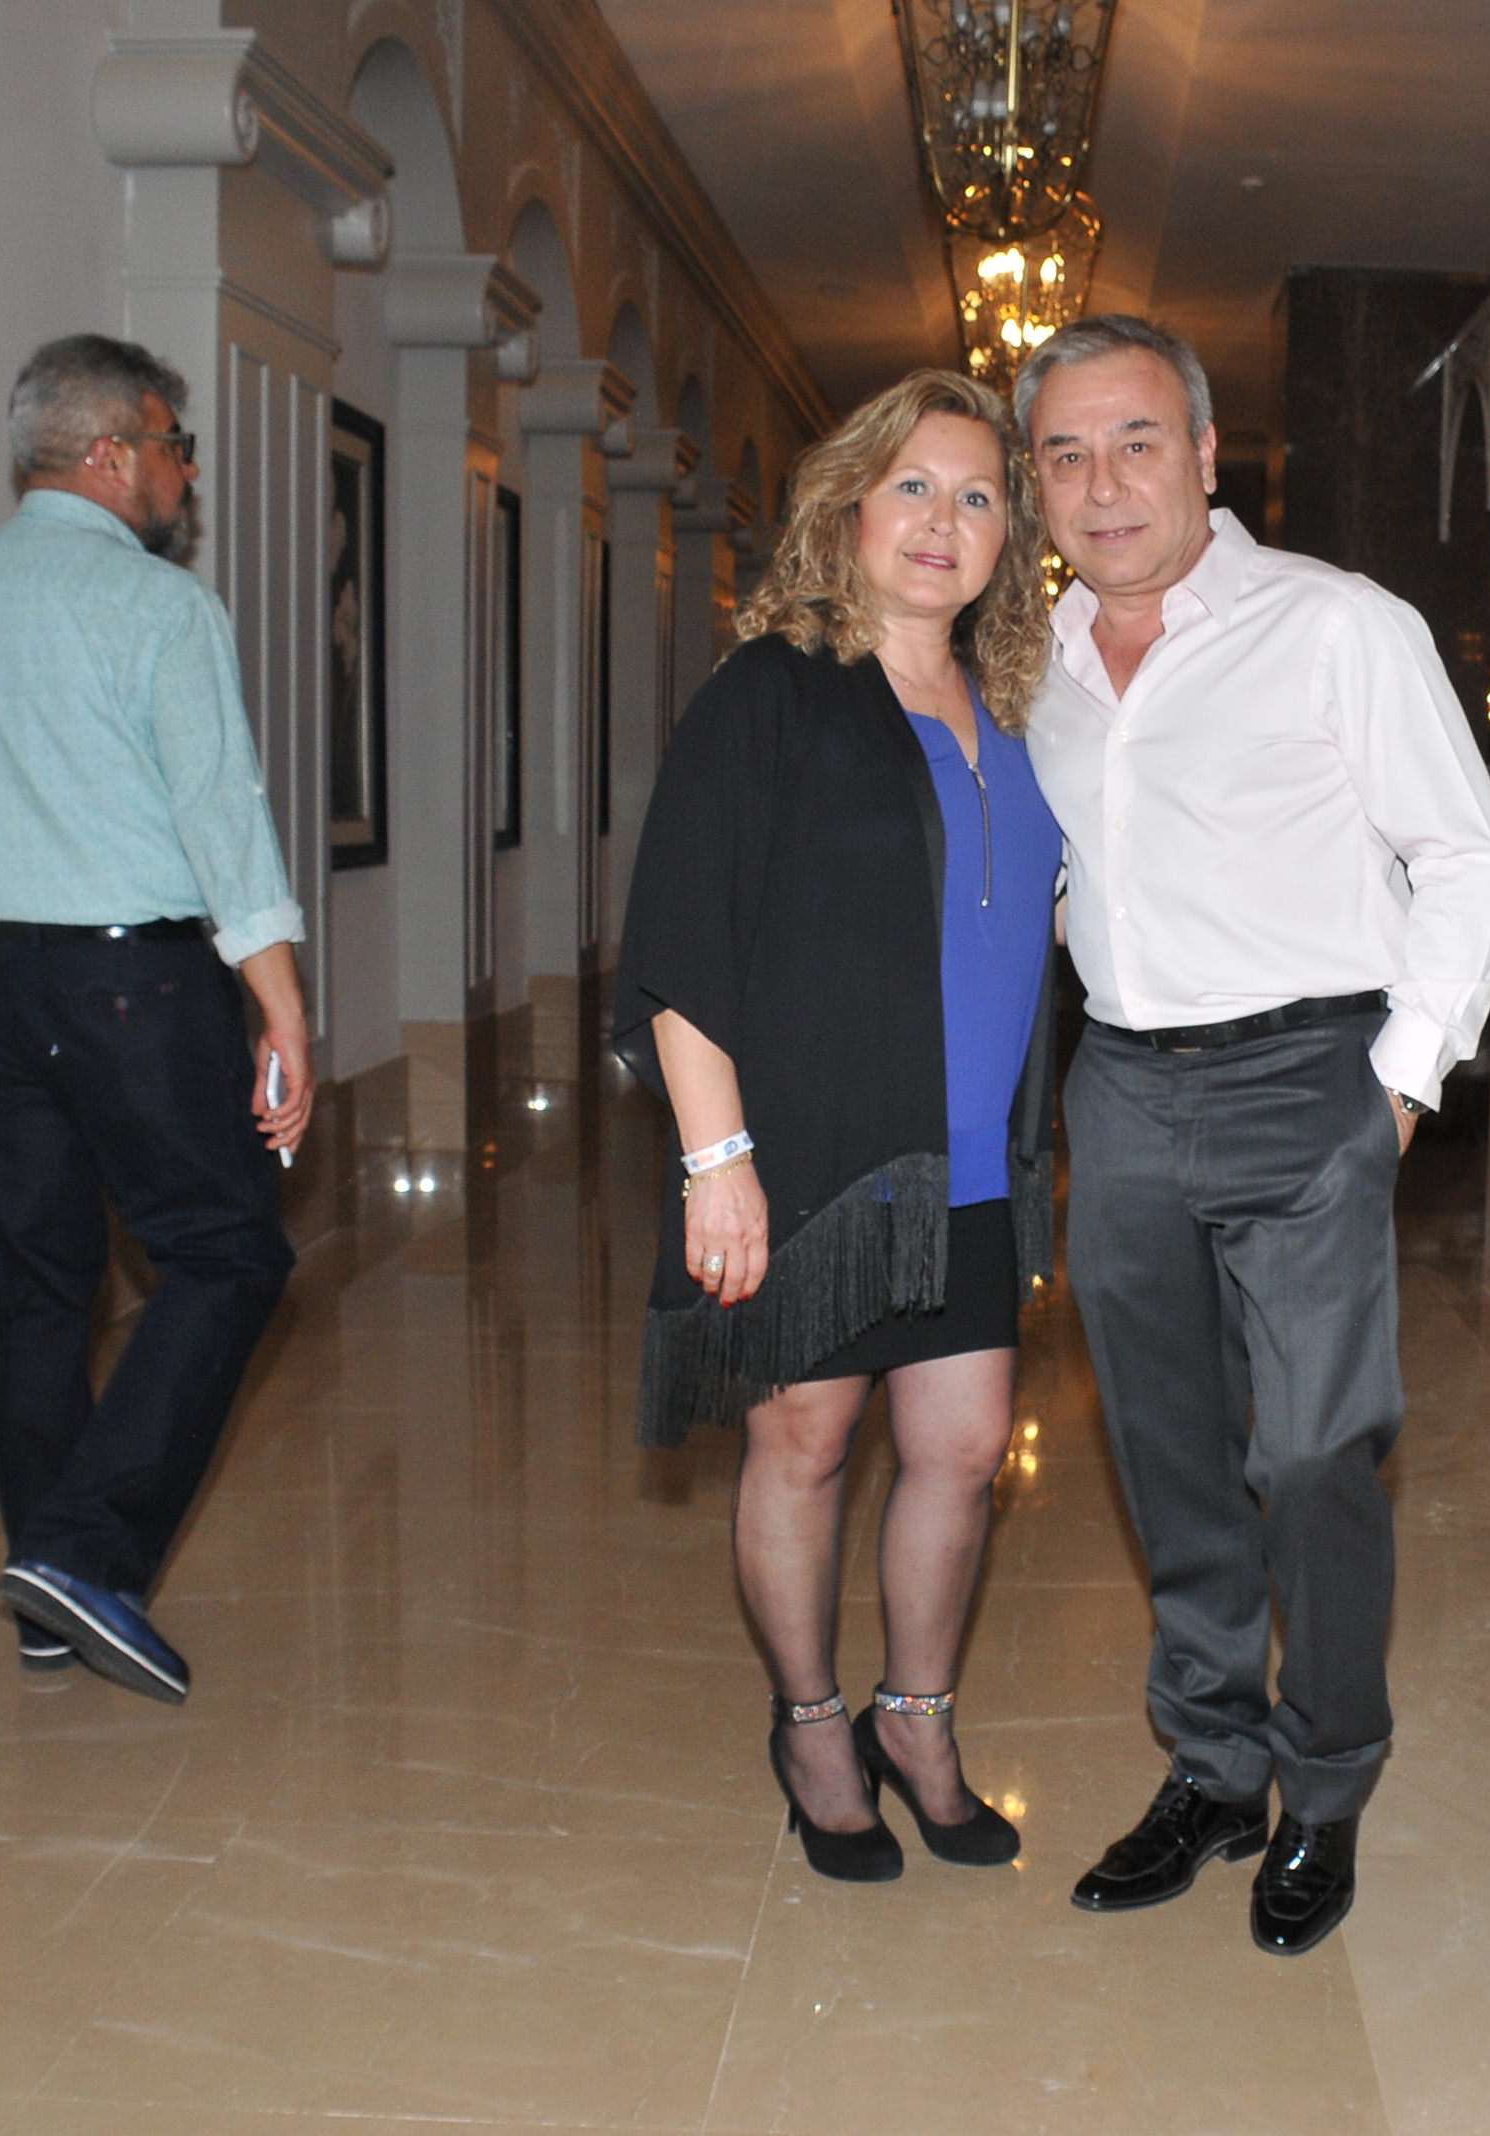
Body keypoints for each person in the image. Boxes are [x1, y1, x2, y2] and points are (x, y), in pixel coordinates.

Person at [1013, 316, 1490, 1955]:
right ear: (1037, 485)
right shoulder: (1037, 668)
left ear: (1207, 454)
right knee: (1166, 1449)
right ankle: (1216, 1765)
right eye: (1067, 454)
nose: (1105, 484)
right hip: (1123, 1086)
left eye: (1137, 442)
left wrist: (1399, 1085)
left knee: (1310, 1453)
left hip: (1311, 1075)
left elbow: (1469, 859)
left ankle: (1328, 1778)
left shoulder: (1336, 625)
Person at [614, 370, 1066, 1884]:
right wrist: (717, 1162)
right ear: (849, 506)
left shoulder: (1023, 712)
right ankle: (812, 1725)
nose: (944, 521)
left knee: (963, 1448)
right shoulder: (775, 690)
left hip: (975, 1157)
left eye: (979, 495)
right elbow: (681, 935)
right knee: (804, 1443)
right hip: (812, 1146)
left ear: (1010, 537)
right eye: (913, 487)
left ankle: (915, 1719)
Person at [0, 334, 314, 1706]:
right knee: (228, 1249)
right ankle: (85, 1549)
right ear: (113, 454)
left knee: (39, 1275)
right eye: (176, 445)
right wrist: (281, 1006)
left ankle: (49, 1595)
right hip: (131, 978)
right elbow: (220, 813)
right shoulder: (156, 609)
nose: (187, 474)